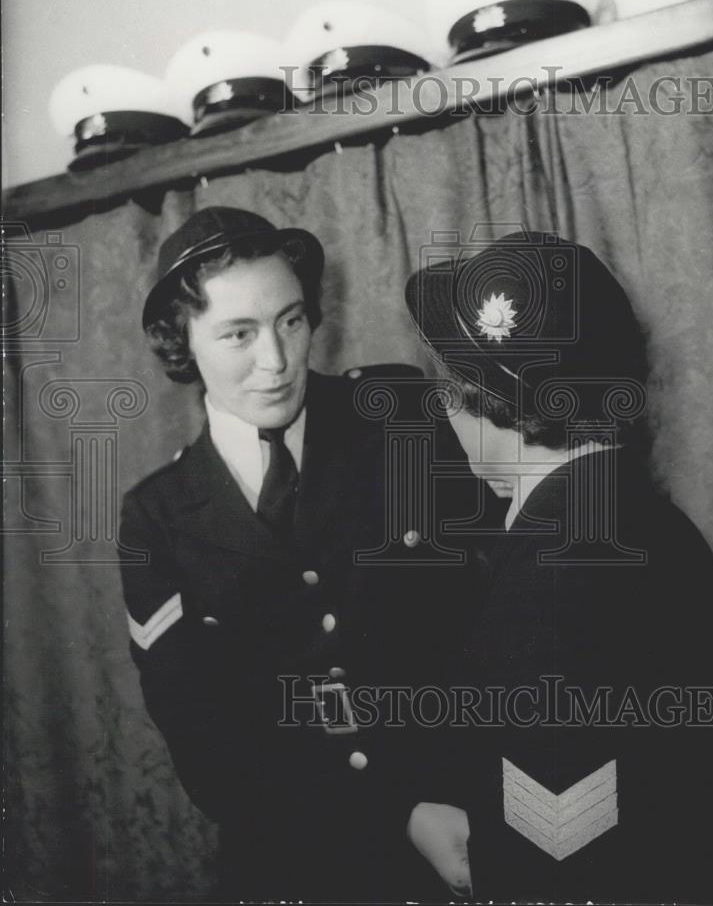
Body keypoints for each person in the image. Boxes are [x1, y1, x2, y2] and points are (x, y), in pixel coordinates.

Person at [118, 206, 479, 901]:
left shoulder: (397, 414)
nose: (276, 361)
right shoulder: (157, 517)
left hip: (463, 825)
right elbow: (206, 740)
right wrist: (393, 816)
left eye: (290, 320)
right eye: (237, 334)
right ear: (181, 342)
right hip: (299, 860)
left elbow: (487, 624)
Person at [404, 232, 713, 903]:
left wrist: (460, 855)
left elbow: (556, 847)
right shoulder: (654, 523)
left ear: (480, 398)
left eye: (447, 386)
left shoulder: (548, 576)